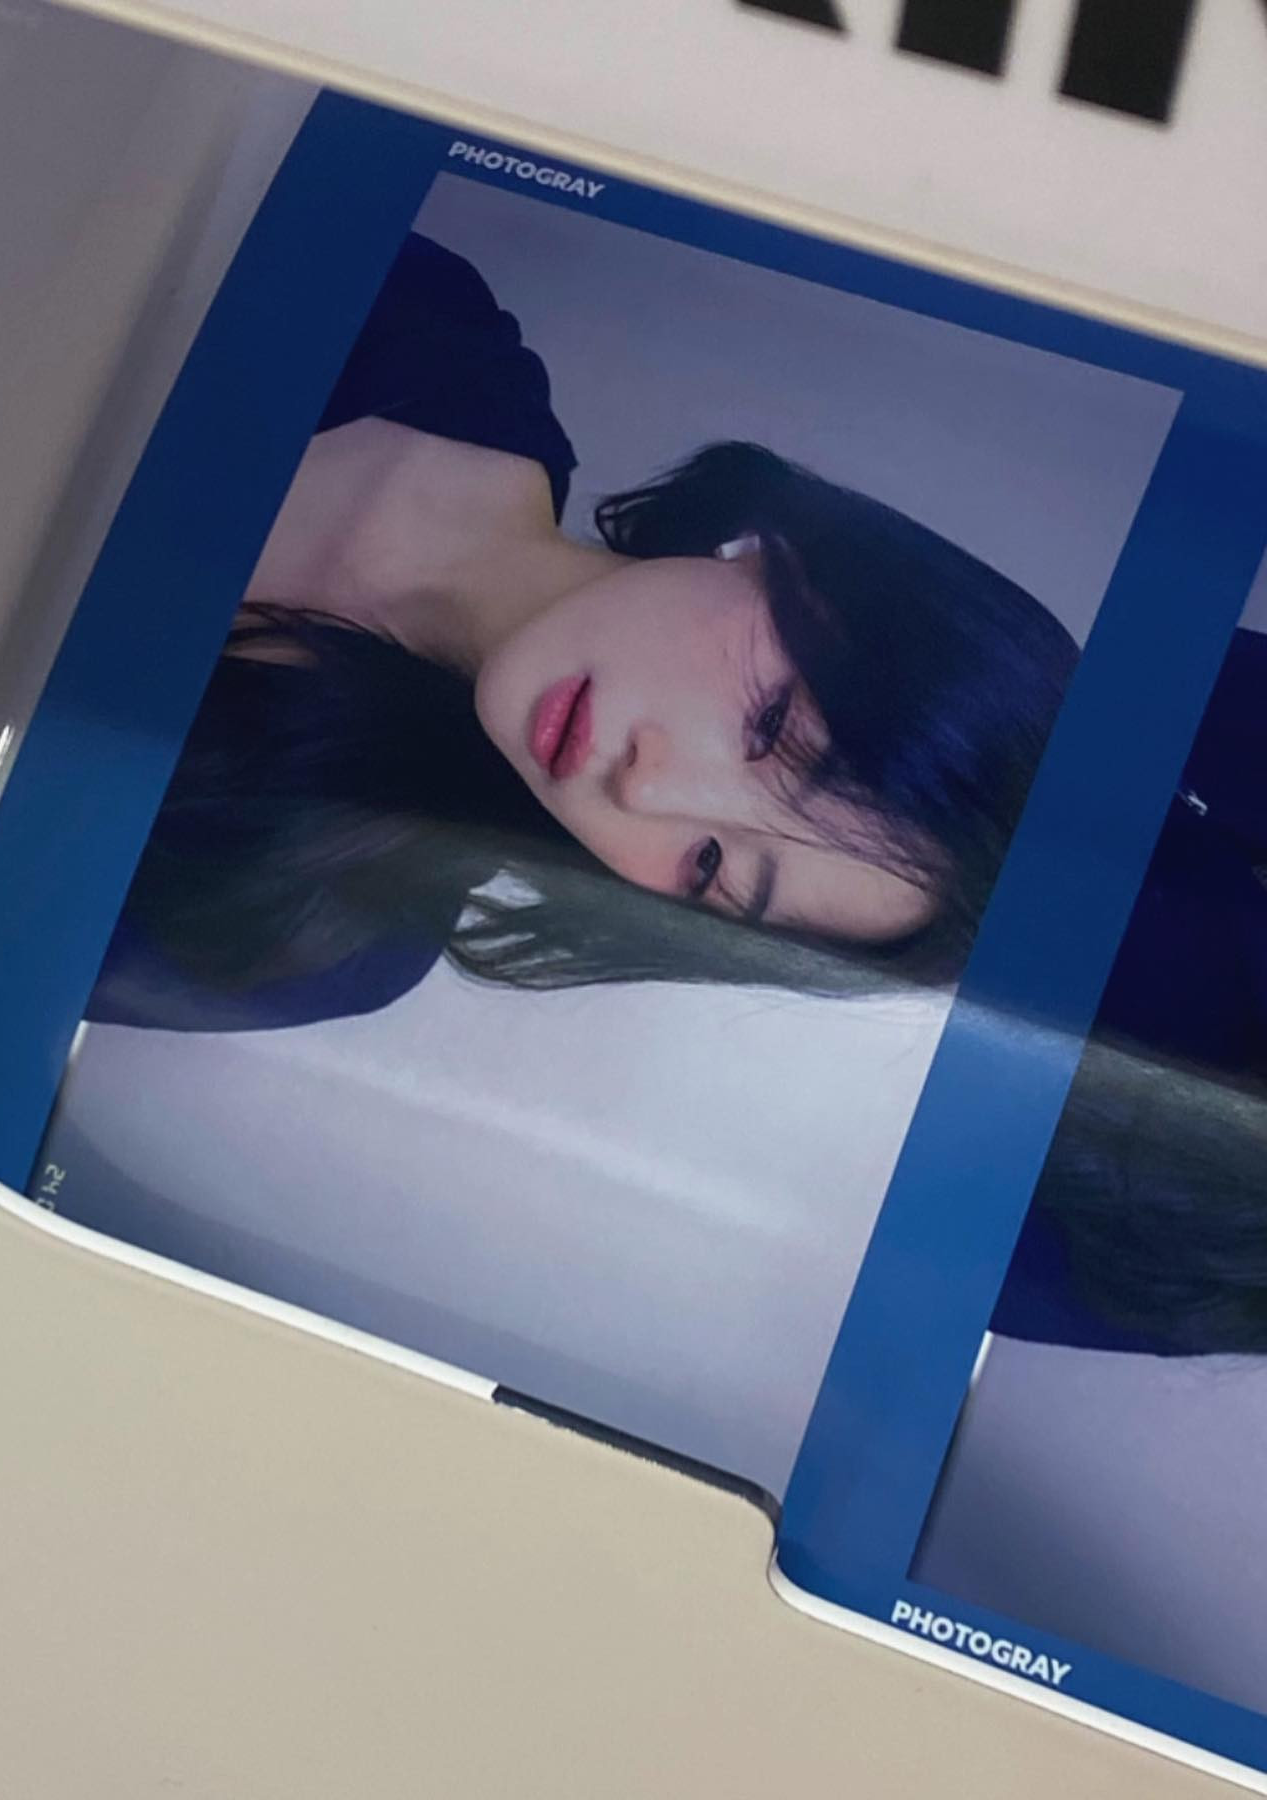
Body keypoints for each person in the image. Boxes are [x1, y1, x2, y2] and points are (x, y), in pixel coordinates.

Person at [85, 232, 1267, 1358]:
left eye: (711, 871)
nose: (647, 787)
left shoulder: (320, 927)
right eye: (769, 729)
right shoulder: (436, 327)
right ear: (789, 557)